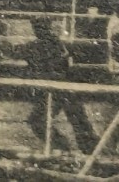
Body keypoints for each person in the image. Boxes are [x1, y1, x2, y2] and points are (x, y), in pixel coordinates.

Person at [23, 19, 98, 154]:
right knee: (78, 120)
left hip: (58, 89)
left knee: (38, 120)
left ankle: (64, 146)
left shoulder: (38, 45)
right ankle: (75, 148)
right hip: (63, 88)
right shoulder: (57, 43)